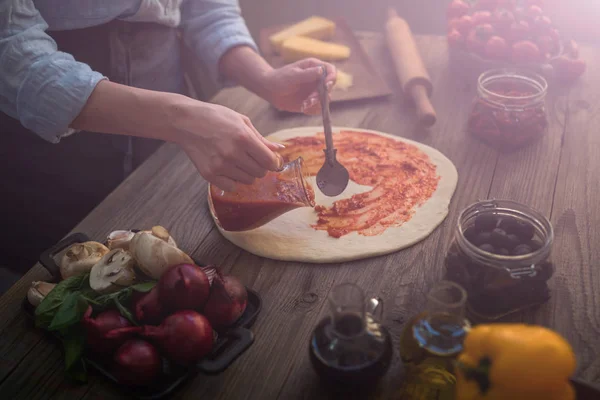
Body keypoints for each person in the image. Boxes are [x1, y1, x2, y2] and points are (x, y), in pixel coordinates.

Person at [0, 0, 336, 273]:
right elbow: (11, 48)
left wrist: (264, 78)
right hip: (51, 153)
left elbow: (204, 6)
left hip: (168, 140)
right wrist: (180, 119)